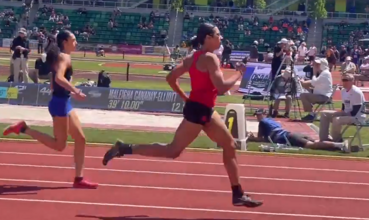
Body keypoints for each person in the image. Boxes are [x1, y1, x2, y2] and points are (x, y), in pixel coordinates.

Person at [102, 23, 263, 208]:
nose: (221, 38)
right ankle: (125, 148)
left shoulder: (192, 58)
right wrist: (239, 73)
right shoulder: (210, 58)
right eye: (218, 34)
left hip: (204, 109)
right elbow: (221, 88)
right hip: (199, 111)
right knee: (172, 151)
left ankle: (238, 193)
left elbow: (170, 78)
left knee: (229, 145)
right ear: (208, 38)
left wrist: (185, 97)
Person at [3, 30, 98, 189]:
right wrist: (75, 91)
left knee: (80, 139)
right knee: (60, 145)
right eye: (73, 40)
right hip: (60, 104)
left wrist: (66, 92)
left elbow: (54, 82)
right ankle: (24, 128)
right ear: (64, 42)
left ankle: (79, 178)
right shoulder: (63, 57)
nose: (76, 43)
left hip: (63, 102)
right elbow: (59, 78)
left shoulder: (61, 56)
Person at [248, 109, 350, 152]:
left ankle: (340, 145)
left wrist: (252, 138)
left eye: (258, 115)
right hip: (290, 134)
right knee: (316, 142)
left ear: (262, 115)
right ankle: (338, 145)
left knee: (312, 145)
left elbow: (261, 138)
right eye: (257, 115)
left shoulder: (262, 122)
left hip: (287, 137)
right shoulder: (271, 121)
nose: (258, 117)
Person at [318, 73, 365, 152]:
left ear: (352, 81)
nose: (344, 82)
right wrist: (339, 112)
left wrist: (341, 115)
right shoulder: (343, 91)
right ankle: (324, 139)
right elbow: (344, 106)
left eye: (346, 80)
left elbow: (355, 111)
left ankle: (337, 143)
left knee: (337, 119)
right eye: (343, 80)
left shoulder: (356, 92)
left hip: (357, 117)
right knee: (324, 113)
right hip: (347, 113)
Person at [299, 58, 333, 122]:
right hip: (321, 95)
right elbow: (314, 83)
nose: (315, 66)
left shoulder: (325, 73)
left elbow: (314, 83)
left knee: (303, 96)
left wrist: (314, 73)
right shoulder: (324, 73)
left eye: (318, 65)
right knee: (306, 91)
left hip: (324, 97)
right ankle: (310, 108)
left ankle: (311, 114)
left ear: (322, 65)